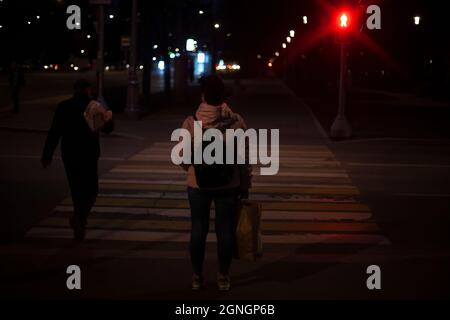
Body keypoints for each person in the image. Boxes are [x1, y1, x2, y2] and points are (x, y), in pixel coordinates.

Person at [180, 75, 252, 291]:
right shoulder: (236, 121)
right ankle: (223, 277)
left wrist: (195, 169)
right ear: (223, 97)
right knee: (225, 230)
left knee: (198, 229)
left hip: (197, 185)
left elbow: (182, 158)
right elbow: (243, 159)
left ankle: (197, 277)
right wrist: (245, 185)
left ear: (203, 95)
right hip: (228, 185)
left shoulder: (191, 122)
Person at [41, 79, 114, 240]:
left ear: (75, 90)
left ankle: (79, 218)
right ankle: (80, 218)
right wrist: (108, 117)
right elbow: (108, 129)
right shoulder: (94, 106)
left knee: (76, 189)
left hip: (70, 153)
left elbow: (54, 132)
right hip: (89, 154)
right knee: (92, 190)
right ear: (88, 90)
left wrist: (47, 155)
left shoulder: (63, 106)